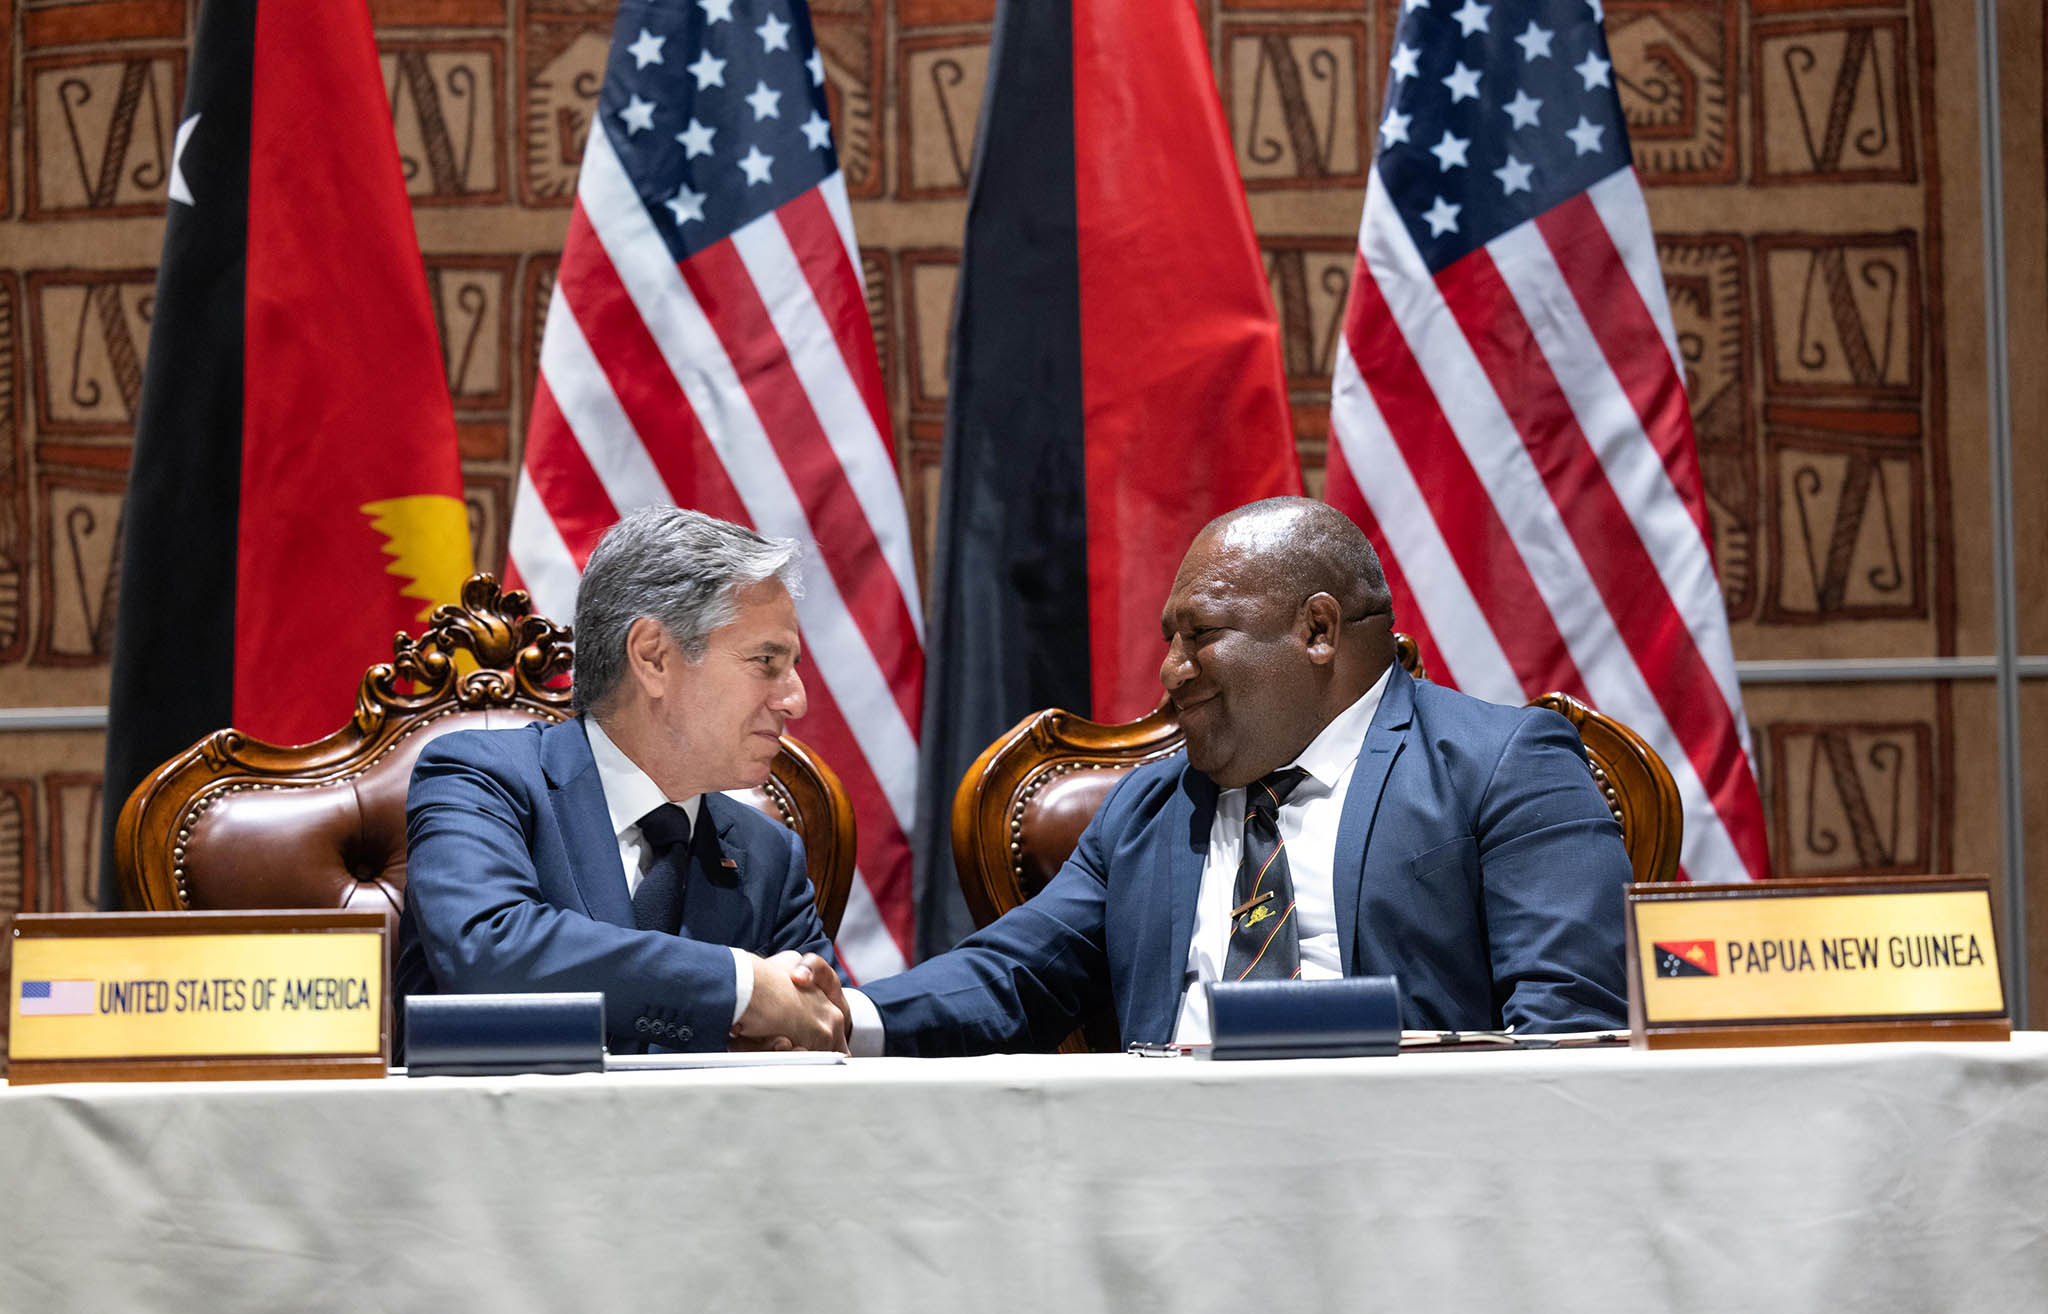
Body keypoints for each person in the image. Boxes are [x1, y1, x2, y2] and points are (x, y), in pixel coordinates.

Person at [839, 497, 1631, 1054]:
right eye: (1168, 639)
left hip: (1411, 1186)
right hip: (1166, 1187)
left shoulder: (1502, 768)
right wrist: (841, 1018)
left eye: (1201, 635)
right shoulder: (1149, 807)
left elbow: (1570, 1029)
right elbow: (1013, 977)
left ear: (1317, 630)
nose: (1171, 671)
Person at [396, 507, 849, 1053]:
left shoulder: (769, 856)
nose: (795, 700)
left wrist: (798, 1041)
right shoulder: (482, 777)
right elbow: (488, 953)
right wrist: (740, 988)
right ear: (653, 657)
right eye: (767, 661)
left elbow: (822, 1023)